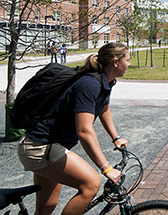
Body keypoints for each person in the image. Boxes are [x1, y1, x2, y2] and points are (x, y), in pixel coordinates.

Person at [18, 42, 130, 214]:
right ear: (116, 62)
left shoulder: (106, 81)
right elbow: (84, 131)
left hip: (44, 146)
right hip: (41, 147)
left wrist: (116, 137)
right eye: (127, 60)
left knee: (47, 206)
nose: (129, 64)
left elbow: (103, 109)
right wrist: (106, 168)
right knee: (91, 184)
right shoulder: (89, 84)